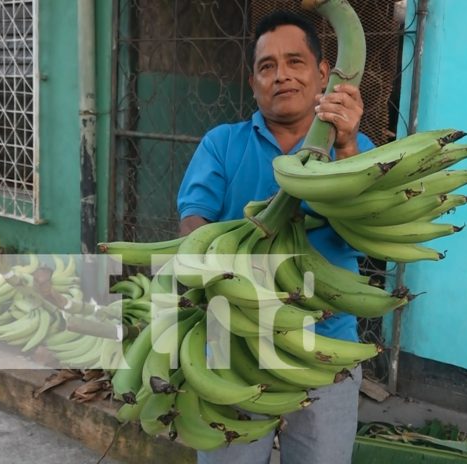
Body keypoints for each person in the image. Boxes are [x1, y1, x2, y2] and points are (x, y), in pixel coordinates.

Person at [177, 10, 375, 464]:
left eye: (295, 62)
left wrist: (344, 148)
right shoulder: (222, 144)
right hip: (236, 344)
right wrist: (223, 261)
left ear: (324, 74)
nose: (281, 75)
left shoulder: (358, 151)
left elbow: (363, 238)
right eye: (267, 67)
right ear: (253, 82)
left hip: (325, 345)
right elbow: (193, 222)